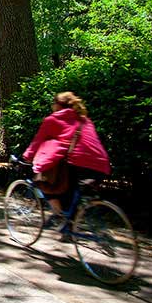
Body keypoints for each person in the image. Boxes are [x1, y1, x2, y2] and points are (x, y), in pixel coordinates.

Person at [23, 91, 111, 220]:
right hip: (103, 164)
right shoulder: (85, 120)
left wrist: (27, 156)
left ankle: (64, 222)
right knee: (73, 196)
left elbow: (38, 141)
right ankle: (69, 223)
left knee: (43, 182)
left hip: (78, 163)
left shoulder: (53, 119)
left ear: (57, 105)